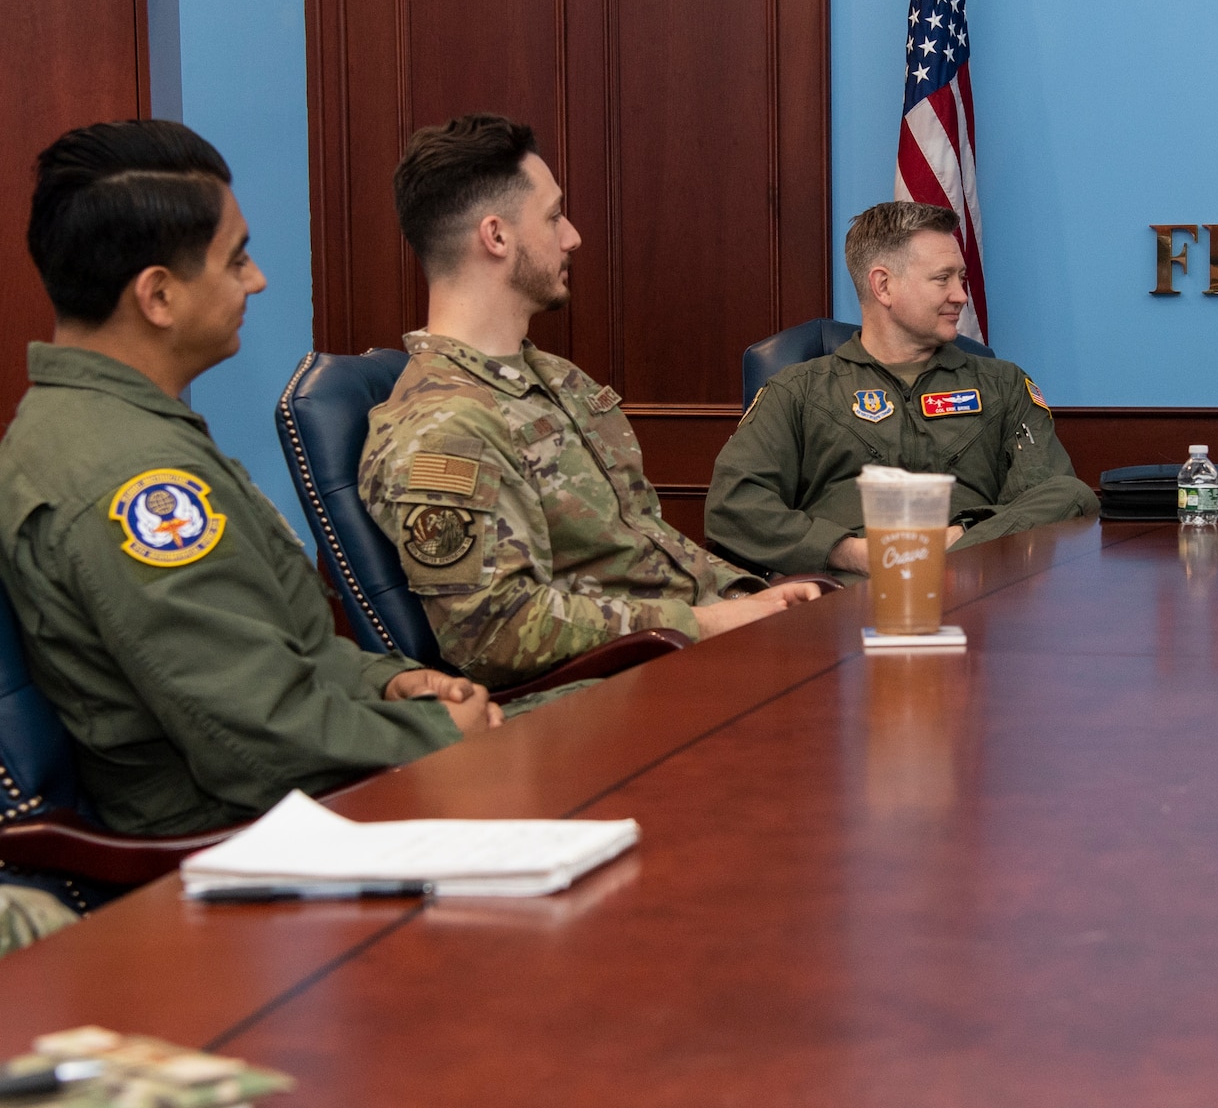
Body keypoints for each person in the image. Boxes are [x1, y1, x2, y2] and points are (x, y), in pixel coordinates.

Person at [0, 120, 500, 849]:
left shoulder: (118, 427)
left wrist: (387, 685)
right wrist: (433, 731)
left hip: (302, 801)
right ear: (159, 296)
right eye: (235, 260)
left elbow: (273, 652)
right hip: (237, 849)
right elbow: (256, 741)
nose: (256, 278)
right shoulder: (131, 480)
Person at [359, 114, 817, 691]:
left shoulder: (556, 378)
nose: (572, 235)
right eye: (553, 217)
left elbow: (643, 544)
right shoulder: (441, 425)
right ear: (496, 237)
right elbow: (494, 630)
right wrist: (706, 622)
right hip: (605, 702)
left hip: (692, 657)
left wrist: (757, 597)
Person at [705, 202, 1099, 577]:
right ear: (883, 286)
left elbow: (1054, 497)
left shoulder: (1003, 385)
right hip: (847, 594)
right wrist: (855, 553)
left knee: (1071, 492)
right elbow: (733, 506)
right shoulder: (799, 391)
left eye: (961, 278)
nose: (961, 295)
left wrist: (956, 540)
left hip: (981, 587)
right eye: (942, 278)